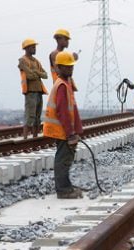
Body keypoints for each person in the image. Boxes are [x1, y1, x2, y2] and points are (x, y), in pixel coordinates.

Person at [43, 51, 83, 199]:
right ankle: (63, 190)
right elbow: (63, 112)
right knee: (63, 160)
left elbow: (71, 110)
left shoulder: (66, 84)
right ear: (58, 68)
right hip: (61, 130)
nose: (70, 69)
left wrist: (76, 129)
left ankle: (66, 186)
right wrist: (70, 133)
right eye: (66, 67)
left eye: (71, 66)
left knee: (65, 158)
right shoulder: (61, 85)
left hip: (63, 130)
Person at [18, 39, 48, 139]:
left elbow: (45, 75)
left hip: (39, 91)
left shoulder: (37, 61)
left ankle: (35, 138)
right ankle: (25, 138)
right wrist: (36, 73)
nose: (34, 49)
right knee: (29, 116)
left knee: (37, 117)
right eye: (32, 47)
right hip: (30, 92)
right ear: (26, 48)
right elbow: (30, 76)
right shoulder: (23, 60)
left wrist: (37, 73)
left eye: (35, 47)